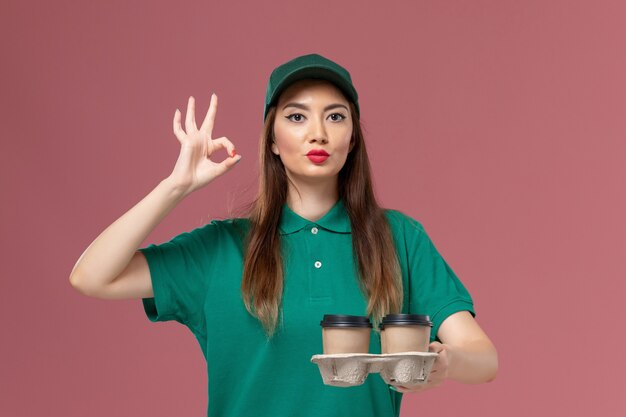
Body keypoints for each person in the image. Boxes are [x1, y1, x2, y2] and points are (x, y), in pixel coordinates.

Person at [69, 53, 498, 417]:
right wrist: (175, 186)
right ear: (272, 139)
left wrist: (446, 362)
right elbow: (92, 276)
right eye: (297, 116)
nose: (319, 132)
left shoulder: (399, 238)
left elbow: (483, 358)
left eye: (336, 116)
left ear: (352, 139)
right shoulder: (222, 248)